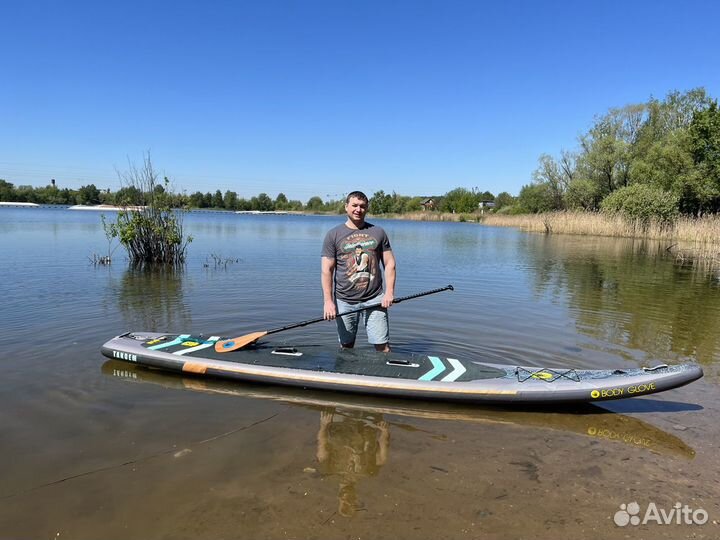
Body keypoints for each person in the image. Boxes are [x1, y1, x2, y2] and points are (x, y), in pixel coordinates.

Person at [321, 191, 396, 352]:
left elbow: (389, 264)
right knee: (346, 346)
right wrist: (328, 301)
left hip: (375, 299)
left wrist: (389, 293)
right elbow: (327, 270)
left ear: (367, 208)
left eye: (362, 206)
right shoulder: (333, 235)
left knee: (382, 346)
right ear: (346, 207)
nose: (358, 209)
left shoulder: (378, 232)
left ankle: (386, 374)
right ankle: (346, 374)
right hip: (344, 300)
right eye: (354, 205)